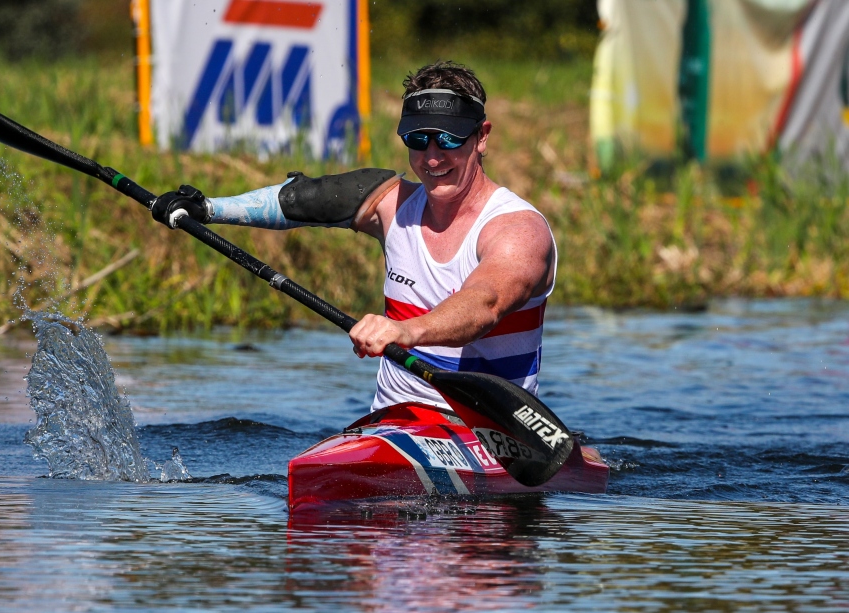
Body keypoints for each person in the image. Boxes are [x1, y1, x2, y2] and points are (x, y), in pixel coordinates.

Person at [151, 61, 556, 412]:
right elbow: (304, 199)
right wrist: (207, 209)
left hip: (488, 433)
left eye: (449, 139)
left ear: (481, 136)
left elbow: (485, 304)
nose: (432, 158)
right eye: (418, 140)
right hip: (395, 424)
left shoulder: (519, 230)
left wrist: (405, 331)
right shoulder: (393, 204)